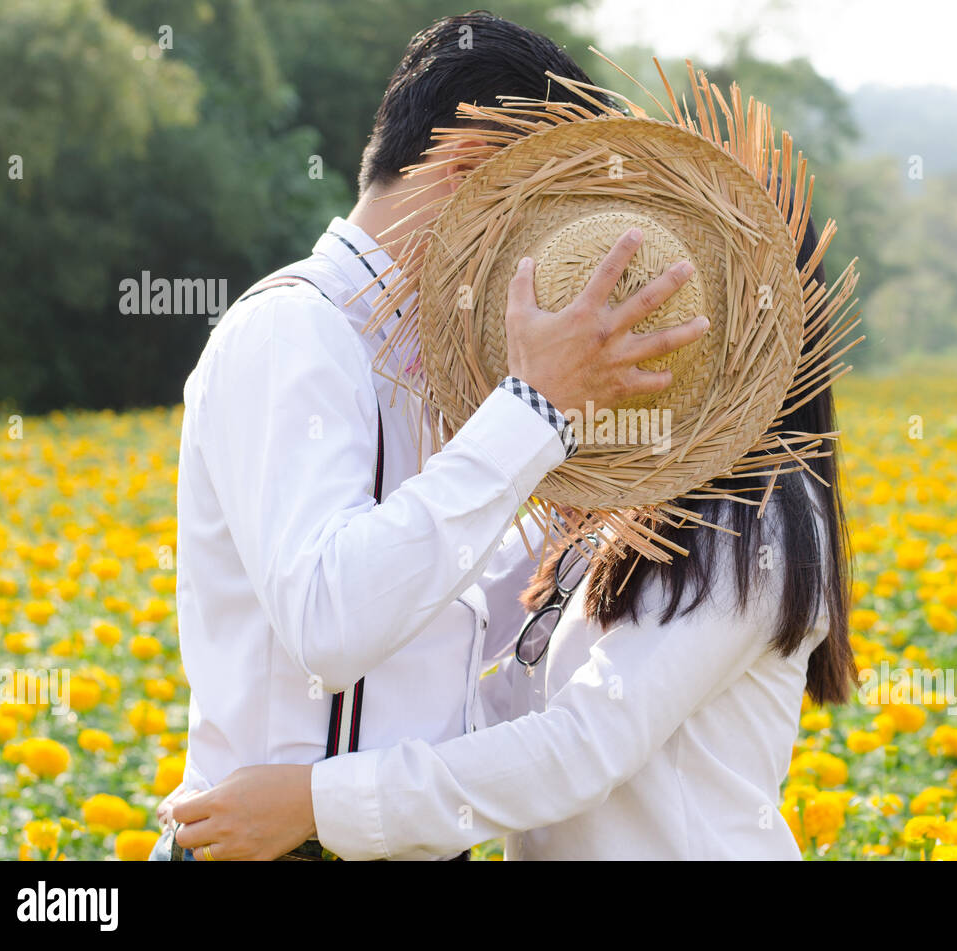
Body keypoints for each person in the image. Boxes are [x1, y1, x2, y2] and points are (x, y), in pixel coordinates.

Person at [151, 13, 707, 861]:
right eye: (547, 203)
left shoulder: (429, 364)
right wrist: (531, 412)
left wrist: (582, 500)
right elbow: (330, 624)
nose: (548, 245)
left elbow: (441, 638)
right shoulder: (295, 328)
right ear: (473, 167)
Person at [168, 217, 855, 860]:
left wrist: (318, 803)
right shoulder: (628, 499)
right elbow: (507, 703)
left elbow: (582, 745)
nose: (626, 318)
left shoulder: (754, 509)